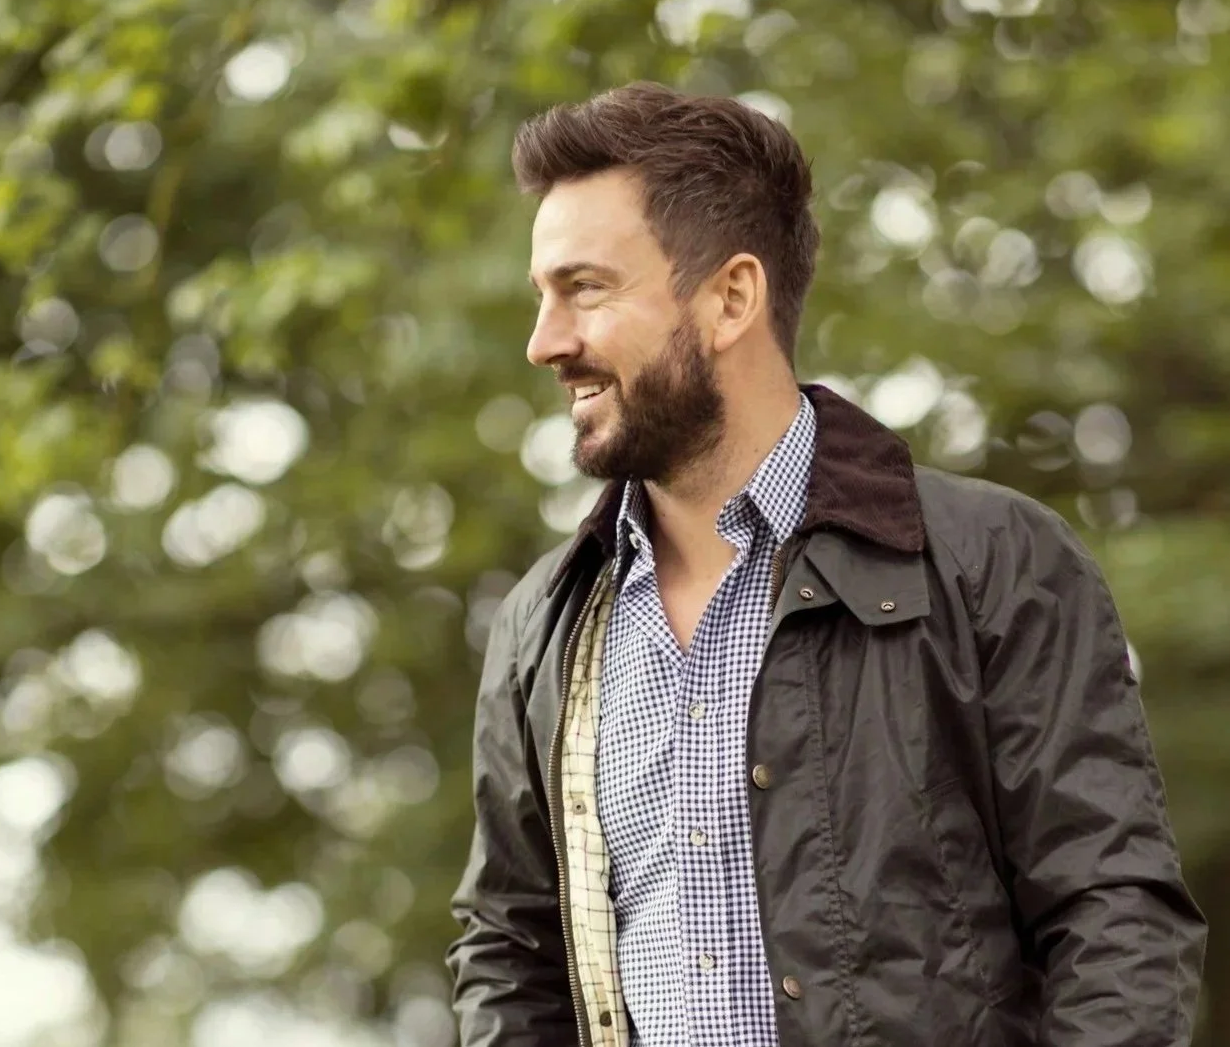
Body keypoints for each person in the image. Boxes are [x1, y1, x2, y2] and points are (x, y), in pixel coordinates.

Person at [445, 82, 1207, 1047]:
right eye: (541, 295)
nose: (544, 341)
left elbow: (1114, 922)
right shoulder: (542, 626)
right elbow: (509, 956)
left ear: (730, 297)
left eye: (584, 288)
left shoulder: (992, 561)